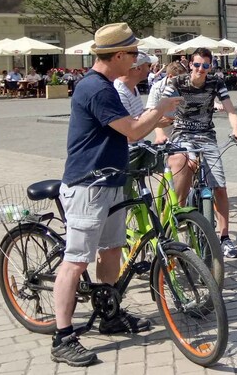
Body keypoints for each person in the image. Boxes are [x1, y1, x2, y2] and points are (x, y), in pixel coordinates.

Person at [50, 23, 182, 367]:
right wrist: (160, 108)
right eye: (134, 53)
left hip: (110, 180)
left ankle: (109, 314)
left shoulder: (106, 86)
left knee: (111, 250)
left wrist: (159, 121)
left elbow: (131, 131)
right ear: (119, 55)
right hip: (87, 184)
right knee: (76, 261)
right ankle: (62, 337)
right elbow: (133, 129)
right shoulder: (97, 89)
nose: (138, 60)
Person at [162, 48, 237, 258]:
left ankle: (225, 238)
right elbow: (160, 109)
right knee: (187, 165)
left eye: (206, 66)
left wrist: (236, 129)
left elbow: (230, 110)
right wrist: (158, 131)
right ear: (191, 64)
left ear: (211, 67)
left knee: (220, 186)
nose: (201, 69)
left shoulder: (216, 82)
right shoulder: (178, 82)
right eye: (197, 65)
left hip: (206, 136)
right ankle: (177, 215)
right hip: (182, 134)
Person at [146, 61, 188, 143]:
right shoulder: (157, 88)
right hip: (165, 127)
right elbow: (151, 112)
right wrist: (159, 134)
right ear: (170, 76)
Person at [114, 53, 156, 118]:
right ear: (138, 68)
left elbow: (138, 116)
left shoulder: (132, 86)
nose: (149, 70)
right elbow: (130, 126)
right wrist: (158, 111)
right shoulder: (120, 92)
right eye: (148, 65)